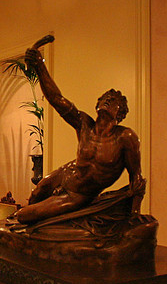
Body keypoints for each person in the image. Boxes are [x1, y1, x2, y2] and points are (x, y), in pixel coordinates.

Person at [11, 42, 145, 226]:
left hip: (79, 194)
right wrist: (40, 67)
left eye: (114, 101)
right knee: (36, 194)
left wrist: (135, 213)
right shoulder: (84, 123)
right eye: (105, 98)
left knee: (24, 215)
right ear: (97, 104)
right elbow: (56, 99)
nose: (108, 100)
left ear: (120, 113)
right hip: (66, 174)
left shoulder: (125, 138)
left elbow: (136, 178)